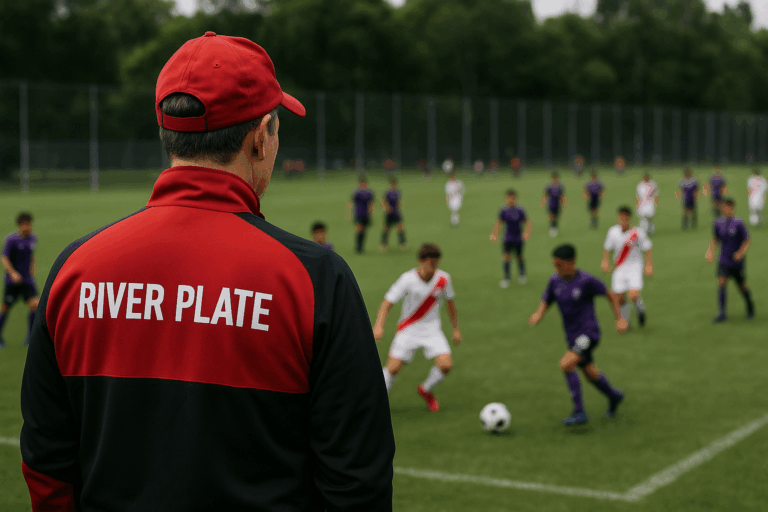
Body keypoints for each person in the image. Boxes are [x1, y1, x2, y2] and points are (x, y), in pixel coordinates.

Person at [20, 32, 394, 512]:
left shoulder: (74, 269)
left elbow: (47, 464)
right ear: (260, 137)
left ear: (168, 133)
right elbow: (357, 481)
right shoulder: (314, 279)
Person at [528, 244, 628, 426]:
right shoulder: (554, 281)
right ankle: (614, 396)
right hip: (572, 336)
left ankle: (579, 412)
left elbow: (610, 295)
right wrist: (538, 314)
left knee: (566, 364)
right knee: (590, 373)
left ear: (571, 262)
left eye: (559, 265)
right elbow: (547, 299)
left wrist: (619, 319)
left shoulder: (586, 280)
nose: (556, 268)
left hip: (589, 333)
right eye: (554, 264)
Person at [373, 243, 461, 412]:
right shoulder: (407, 280)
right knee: (392, 368)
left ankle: (425, 390)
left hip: (432, 330)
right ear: (420, 261)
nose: (434, 268)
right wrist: (379, 326)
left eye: (436, 264)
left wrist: (455, 329)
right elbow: (386, 303)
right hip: (408, 329)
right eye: (431, 264)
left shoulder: (444, 279)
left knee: (446, 365)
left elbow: (450, 303)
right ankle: (376, 403)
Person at [601, 207, 653, 327]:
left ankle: (640, 310)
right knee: (619, 298)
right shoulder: (613, 232)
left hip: (635, 266)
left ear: (629, 218)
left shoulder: (637, 233)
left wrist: (648, 265)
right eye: (621, 217)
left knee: (633, 295)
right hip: (619, 267)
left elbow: (648, 248)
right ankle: (626, 322)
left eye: (625, 217)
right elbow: (607, 248)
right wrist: (605, 262)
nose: (623, 219)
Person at [705, 198, 754, 322]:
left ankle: (750, 306)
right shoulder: (717, 223)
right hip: (723, 260)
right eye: (724, 207)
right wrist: (710, 252)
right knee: (721, 283)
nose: (725, 209)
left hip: (736, 262)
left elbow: (747, 241)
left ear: (733, 208)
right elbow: (715, 239)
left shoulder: (739, 223)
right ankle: (722, 313)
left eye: (728, 207)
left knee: (742, 286)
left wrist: (740, 253)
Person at [0, 212, 39, 348]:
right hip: (13, 282)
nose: (29, 227)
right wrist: (12, 273)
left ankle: (30, 337)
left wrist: (32, 268)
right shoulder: (11, 240)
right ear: (20, 226)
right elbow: (4, 258)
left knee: (35, 305)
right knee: (5, 308)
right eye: (26, 225)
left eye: (30, 224)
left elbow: (31, 255)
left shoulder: (33, 238)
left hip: (27, 281)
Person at [490, 189, 532, 287]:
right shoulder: (503, 210)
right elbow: (499, 223)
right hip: (507, 238)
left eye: (512, 198)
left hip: (518, 238)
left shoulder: (520, 210)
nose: (510, 200)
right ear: (506, 198)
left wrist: (526, 233)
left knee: (519, 257)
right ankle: (506, 278)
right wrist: (494, 234)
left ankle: (522, 275)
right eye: (509, 198)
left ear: (515, 198)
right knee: (506, 258)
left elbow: (527, 222)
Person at [347, 177, 375, 253]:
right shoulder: (356, 192)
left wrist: (371, 213)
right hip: (358, 213)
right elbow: (350, 202)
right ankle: (358, 248)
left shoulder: (369, 192)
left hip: (366, 214)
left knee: (364, 230)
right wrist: (349, 213)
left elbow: (371, 204)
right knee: (359, 230)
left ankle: (361, 247)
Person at [380, 179, 407, 252]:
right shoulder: (387, 192)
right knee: (387, 229)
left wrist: (400, 208)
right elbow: (383, 201)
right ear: (390, 184)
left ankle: (403, 244)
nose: (394, 185)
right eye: (393, 184)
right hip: (389, 213)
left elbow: (400, 201)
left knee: (400, 228)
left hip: (396, 213)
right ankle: (383, 245)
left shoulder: (398, 192)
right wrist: (387, 208)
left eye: (395, 184)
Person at [542, 172, 566, 237]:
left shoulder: (560, 186)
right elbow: (545, 195)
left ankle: (555, 228)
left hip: (558, 204)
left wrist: (563, 203)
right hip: (550, 204)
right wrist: (543, 202)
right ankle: (552, 228)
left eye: (556, 178)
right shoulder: (548, 186)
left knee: (556, 217)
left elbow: (562, 196)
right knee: (551, 217)